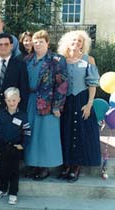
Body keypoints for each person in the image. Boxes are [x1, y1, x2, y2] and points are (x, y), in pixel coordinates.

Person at [24, 30, 68, 181]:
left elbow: (62, 84)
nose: (37, 44)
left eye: (41, 41)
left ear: (48, 43)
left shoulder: (56, 60)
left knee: (45, 135)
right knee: (31, 133)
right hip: (30, 100)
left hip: (48, 103)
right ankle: (33, 165)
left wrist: (57, 106)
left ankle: (45, 168)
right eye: (35, 42)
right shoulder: (28, 59)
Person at [57, 30, 101, 182]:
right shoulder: (61, 60)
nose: (76, 43)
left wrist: (89, 104)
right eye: (74, 40)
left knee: (80, 132)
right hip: (66, 100)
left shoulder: (89, 59)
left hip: (82, 99)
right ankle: (66, 164)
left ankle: (76, 166)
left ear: (84, 44)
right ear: (68, 42)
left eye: (80, 41)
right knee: (66, 131)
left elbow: (92, 84)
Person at [0, 87, 31, 205]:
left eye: (14, 100)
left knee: (14, 171)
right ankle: (2, 189)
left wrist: (23, 145)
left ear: (19, 99)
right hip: (2, 147)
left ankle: (13, 193)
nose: (11, 103)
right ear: (5, 100)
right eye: (9, 100)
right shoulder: (0, 113)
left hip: (15, 148)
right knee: (2, 169)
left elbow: (27, 132)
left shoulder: (23, 115)